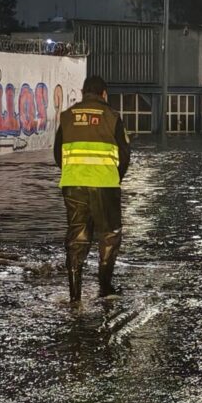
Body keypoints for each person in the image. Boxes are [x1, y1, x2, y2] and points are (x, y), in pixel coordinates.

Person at [53, 75, 131, 302]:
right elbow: (124, 156)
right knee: (109, 236)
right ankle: (105, 289)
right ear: (104, 94)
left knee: (77, 239)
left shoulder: (67, 117)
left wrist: (73, 172)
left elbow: (58, 154)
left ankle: (75, 297)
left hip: (73, 185)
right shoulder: (112, 117)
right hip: (105, 185)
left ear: (82, 92)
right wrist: (115, 177)